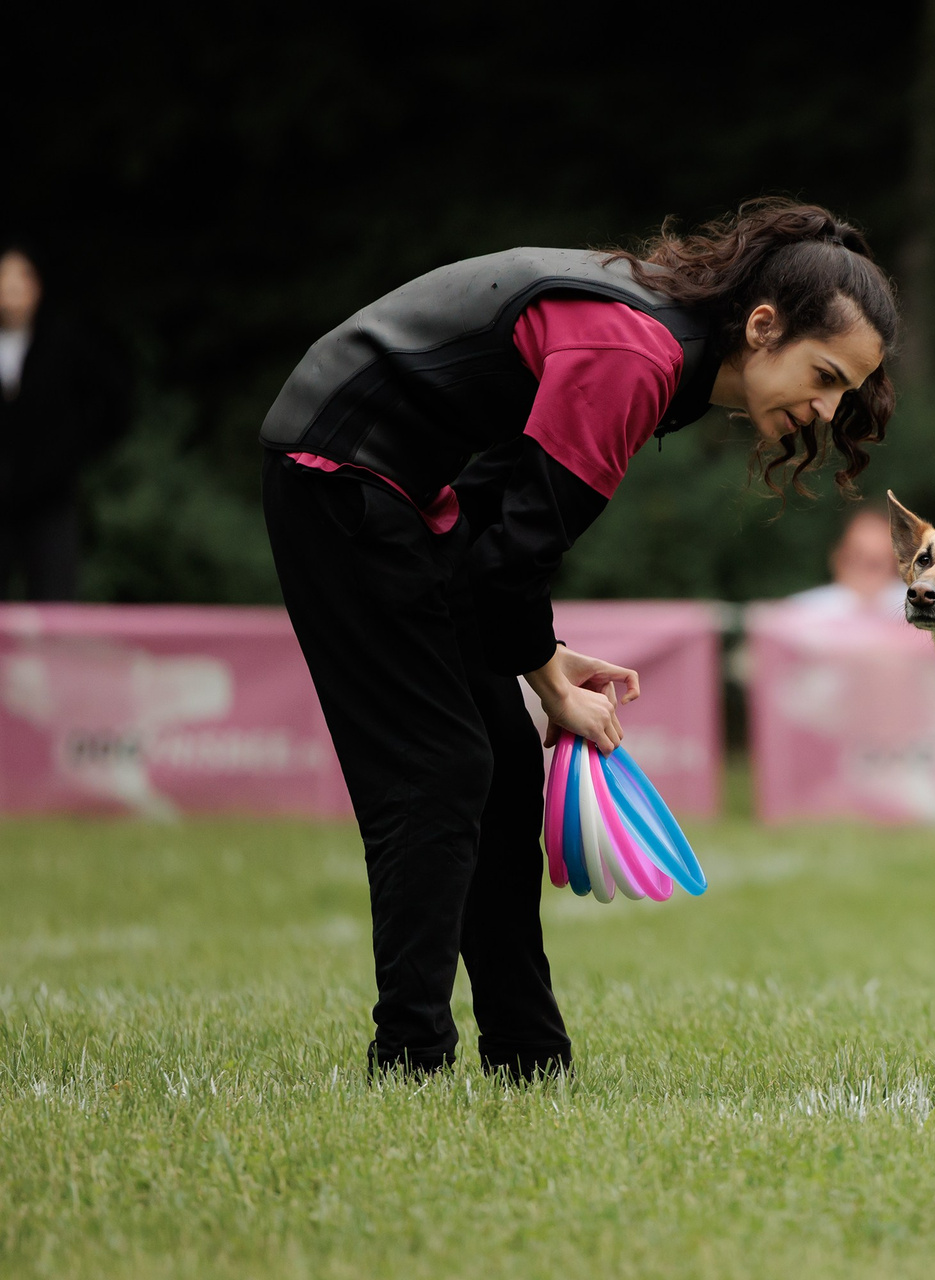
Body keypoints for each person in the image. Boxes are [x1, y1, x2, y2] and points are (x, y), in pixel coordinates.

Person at [259, 199, 897, 1079]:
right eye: (825, 375)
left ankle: (529, 1057)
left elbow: (499, 518)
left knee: (505, 766)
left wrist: (542, 655)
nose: (828, 409)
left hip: (412, 493)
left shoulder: (669, 357)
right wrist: (549, 679)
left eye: (846, 392)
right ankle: (410, 1056)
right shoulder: (637, 356)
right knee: (441, 771)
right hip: (336, 472)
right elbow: (512, 559)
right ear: (762, 327)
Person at [0, 244, 128, 600]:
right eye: (4, 276)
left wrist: (71, 454)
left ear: (37, 285)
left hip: (50, 498)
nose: (11, 286)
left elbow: (111, 400)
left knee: (55, 601)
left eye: (21, 276)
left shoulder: (63, 343)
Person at [786, 507, 906, 616]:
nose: (864, 575)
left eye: (874, 564)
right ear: (837, 558)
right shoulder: (800, 611)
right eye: (856, 558)